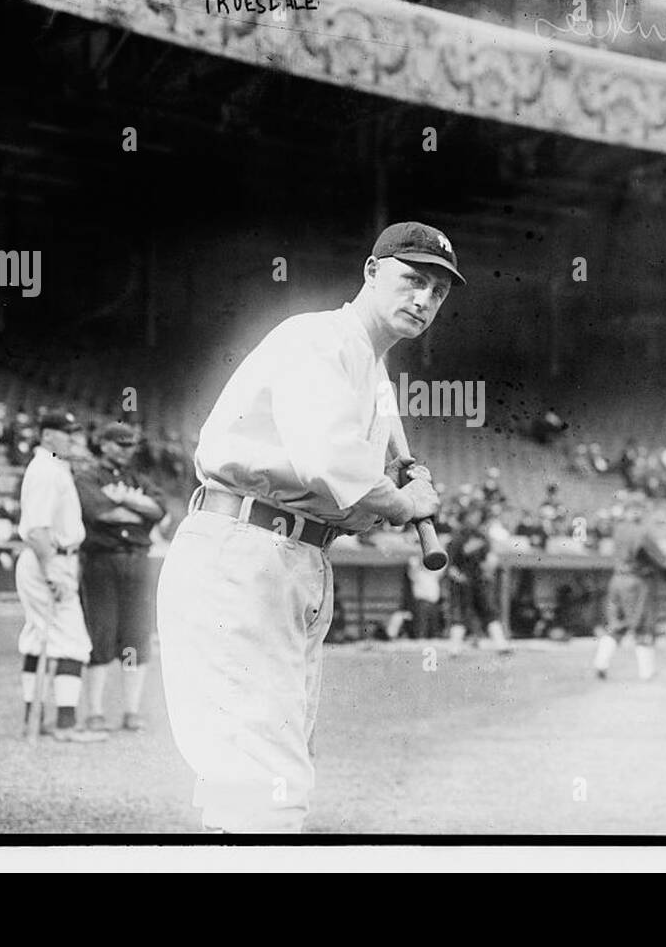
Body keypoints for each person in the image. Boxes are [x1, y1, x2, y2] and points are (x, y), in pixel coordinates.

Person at [157, 220, 457, 833]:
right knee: (266, 771)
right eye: (412, 279)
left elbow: (346, 486)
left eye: (438, 290)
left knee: (257, 762)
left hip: (292, 555)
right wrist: (405, 504)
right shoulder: (320, 339)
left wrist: (401, 489)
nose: (424, 298)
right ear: (372, 273)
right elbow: (328, 460)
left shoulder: (372, 372)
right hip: (244, 549)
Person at [14, 412, 106, 743]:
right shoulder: (45, 470)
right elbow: (37, 530)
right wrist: (52, 570)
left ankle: (34, 720)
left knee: (40, 636)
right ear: (48, 435)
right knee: (74, 641)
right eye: (66, 433)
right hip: (48, 559)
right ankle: (65, 725)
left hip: (51, 558)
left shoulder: (54, 466)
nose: (73, 438)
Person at [74, 422, 167, 733]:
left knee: (136, 637)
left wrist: (125, 499)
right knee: (100, 633)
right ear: (104, 444)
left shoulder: (137, 479)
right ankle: (96, 712)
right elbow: (100, 513)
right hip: (101, 561)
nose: (127, 450)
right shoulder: (87, 477)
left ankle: (131, 711)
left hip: (137, 561)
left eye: (130, 446)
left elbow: (159, 510)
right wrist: (137, 510)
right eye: (120, 444)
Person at [593, 509, 657, 680]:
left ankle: (601, 663)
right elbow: (656, 556)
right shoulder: (641, 532)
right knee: (642, 624)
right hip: (634, 581)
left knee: (616, 624)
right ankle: (646, 672)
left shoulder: (618, 530)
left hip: (616, 579)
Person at [445, 506, 510, 654]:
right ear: (465, 517)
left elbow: (488, 558)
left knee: (489, 611)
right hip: (462, 582)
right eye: (472, 515)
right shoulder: (456, 538)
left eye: (477, 515)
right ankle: (454, 648)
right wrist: (457, 576)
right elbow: (450, 564)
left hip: (480, 581)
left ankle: (501, 645)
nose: (475, 518)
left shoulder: (482, 537)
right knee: (460, 614)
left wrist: (489, 566)